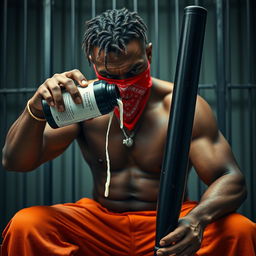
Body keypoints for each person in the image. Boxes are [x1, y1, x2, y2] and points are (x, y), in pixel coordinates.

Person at [1, 7, 256, 256]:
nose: (123, 85)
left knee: (239, 230)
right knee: (27, 224)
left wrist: (196, 220)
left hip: (170, 223)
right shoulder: (82, 105)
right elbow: (15, 161)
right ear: (92, 62)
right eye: (109, 74)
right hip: (102, 226)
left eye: (134, 70)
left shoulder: (180, 105)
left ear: (149, 54)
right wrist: (34, 109)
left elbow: (230, 177)